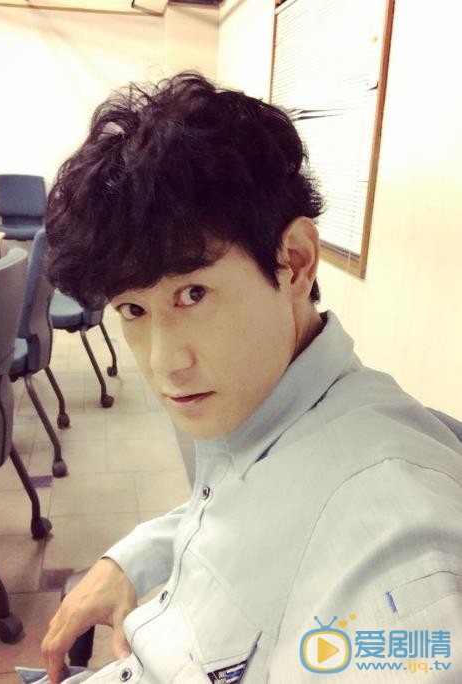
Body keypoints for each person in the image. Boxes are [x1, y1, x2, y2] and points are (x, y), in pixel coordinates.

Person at [37, 73, 462, 683]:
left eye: (192, 293)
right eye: (132, 309)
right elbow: (248, 508)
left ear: (295, 263)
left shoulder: (390, 545)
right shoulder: (267, 407)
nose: (163, 362)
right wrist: (133, 558)